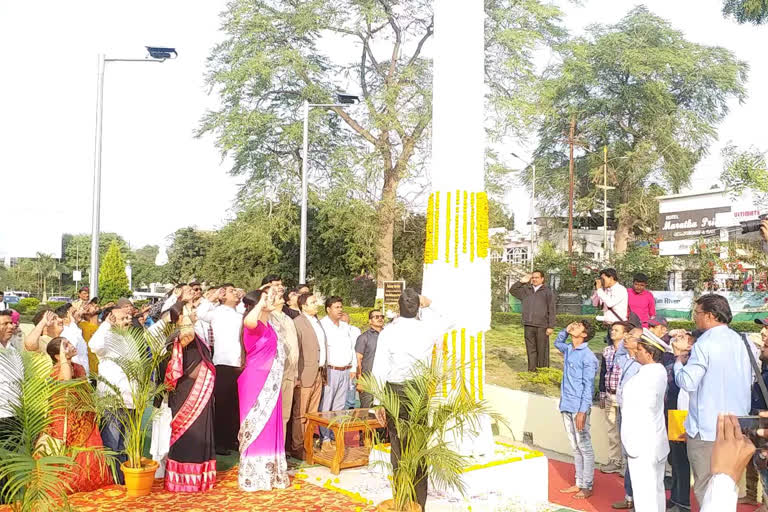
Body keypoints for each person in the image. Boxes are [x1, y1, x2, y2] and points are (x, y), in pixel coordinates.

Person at [371, 289, 452, 511]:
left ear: (398, 308)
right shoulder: (427, 328)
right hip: (417, 390)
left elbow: (379, 366)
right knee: (418, 447)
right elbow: (450, 320)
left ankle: (402, 501)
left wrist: (377, 402)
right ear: (418, 307)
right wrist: (430, 303)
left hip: (394, 391)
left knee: (398, 448)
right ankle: (419, 504)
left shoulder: (388, 332)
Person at [673, 294, 753, 506]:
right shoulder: (743, 341)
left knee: (706, 490)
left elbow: (687, 382)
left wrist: (678, 362)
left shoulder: (704, 343)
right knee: (727, 487)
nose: (695, 319)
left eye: (696, 314)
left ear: (709, 316)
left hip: (707, 429)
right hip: (736, 427)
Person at [44, 337, 113, 493]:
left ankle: (90, 486)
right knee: (69, 455)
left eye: (69, 343)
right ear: (57, 356)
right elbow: (67, 378)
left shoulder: (79, 367)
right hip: (65, 420)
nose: (71, 346)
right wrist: (63, 355)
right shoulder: (56, 371)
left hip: (84, 418)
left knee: (91, 453)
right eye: (65, 345)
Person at [237, 288, 289, 492]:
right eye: (265, 298)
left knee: (271, 424)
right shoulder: (254, 326)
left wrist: (266, 302)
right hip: (256, 382)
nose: (270, 300)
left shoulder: (271, 326)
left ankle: (271, 474)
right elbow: (249, 321)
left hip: (272, 382)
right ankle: (253, 475)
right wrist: (260, 303)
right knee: (257, 425)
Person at [161, 301, 217, 492]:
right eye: (190, 309)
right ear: (179, 317)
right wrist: (184, 317)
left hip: (202, 390)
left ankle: (201, 478)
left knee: (202, 432)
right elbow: (186, 336)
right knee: (188, 434)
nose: (194, 311)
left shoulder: (196, 334)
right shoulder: (179, 336)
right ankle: (183, 479)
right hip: (188, 392)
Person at [621, 330, 670, 512]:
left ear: (649, 354)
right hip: (653, 441)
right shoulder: (656, 371)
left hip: (642, 442)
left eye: (640, 349)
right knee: (655, 490)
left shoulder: (648, 375)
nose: (636, 352)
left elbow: (639, 410)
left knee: (645, 493)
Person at [89, 304, 136, 484]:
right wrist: (106, 325)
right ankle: (112, 481)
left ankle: (123, 480)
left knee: (124, 445)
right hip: (112, 401)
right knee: (112, 444)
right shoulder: (106, 336)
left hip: (130, 399)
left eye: (128, 318)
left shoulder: (130, 338)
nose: (128, 320)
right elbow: (94, 346)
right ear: (111, 318)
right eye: (123, 318)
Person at [553, 320, 598, 500]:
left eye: (579, 326)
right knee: (575, 446)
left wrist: (583, 410)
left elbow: (588, 386)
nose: (574, 326)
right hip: (566, 404)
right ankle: (579, 482)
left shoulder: (588, 357)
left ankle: (587, 484)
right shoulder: (569, 349)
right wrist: (565, 329)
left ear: (585, 334)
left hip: (579, 408)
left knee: (584, 446)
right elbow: (557, 343)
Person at [197, 283, 244, 455]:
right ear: (223, 296)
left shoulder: (239, 313)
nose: (235, 293)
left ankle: (232, 438)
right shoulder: (217, 312)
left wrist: (242, 297)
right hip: (223, 362)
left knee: (235, 404)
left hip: (239, 362)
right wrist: (214, 296)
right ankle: (219, 442)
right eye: (231, 291)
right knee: (223, 404)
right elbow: (200, 313)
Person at [290, 293, 327, 458]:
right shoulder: (298, 323)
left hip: (318, 372)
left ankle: (308, 444)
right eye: (312, 302)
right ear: (303, 306)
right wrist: (296, 375)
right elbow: (295, 350)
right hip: (304, 373)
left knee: (312, 413)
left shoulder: (317, 321)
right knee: (301, 413)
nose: (316, 304)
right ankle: (297, 447)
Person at [612, 326, 644, 510]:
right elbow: (618, 356)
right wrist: (626, 344)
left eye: (631, 337)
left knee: (635, 456)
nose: (626, 338)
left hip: (636, 416)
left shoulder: (643, 366)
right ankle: (629, 496)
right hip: (624, 412)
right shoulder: (628, 361)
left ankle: (637, 498)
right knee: (627, 456)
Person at [318, 296, 357, 444]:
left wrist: (353, 367)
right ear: (328, 309)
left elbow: (351, 348)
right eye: (336, 307)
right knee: (326, 405)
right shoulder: (322, 326)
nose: (340, 310)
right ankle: (325, 438)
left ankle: (336, 436)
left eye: (341, 307)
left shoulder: (345, 326)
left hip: (345, 370)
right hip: (330, 370)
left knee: (340, 406)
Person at [665, 329, 696, 512]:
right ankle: (675, 498)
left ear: (690, 345)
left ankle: (683, 502)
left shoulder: (690, 363)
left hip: (682, 415)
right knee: (674, 460)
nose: (678, 338)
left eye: (683, 337)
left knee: (682, 461)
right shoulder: (670, 359)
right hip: (671, 414)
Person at [598, 321, 632, 475]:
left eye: (617, 330)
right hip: (610, 393)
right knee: (612, 429)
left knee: (625, 429)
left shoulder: (629, 351)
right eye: (612, 330)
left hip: (624, 396)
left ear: (625, 334)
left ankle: (627, 463)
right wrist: (602, 393)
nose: (613, 332)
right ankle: (615, 460)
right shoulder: (607, 351)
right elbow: (604, 372)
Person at [267, 282, 299, 436]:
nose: (280, 296)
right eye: (276, 295)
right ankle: (270, 451)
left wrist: (296, 373)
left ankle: (280, 451)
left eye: (280, 294)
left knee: (285, 415)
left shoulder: (288, 319)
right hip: (275, 372)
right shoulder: (268, 317)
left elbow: (295, 347)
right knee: (272, 413)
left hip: (290, 372)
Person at [508, 270, 556, 372]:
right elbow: (512, 290)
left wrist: (551, 326)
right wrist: (521, 281)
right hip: (528, 324)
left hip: (542, 326)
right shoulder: (526, 290)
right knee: (531, 349)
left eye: (537, 277)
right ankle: (531, 370)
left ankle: (542, 371)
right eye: (533, 277)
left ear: (542, 279)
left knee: (542, 350)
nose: (534, 279)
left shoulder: (547, 292)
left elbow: (552, 309)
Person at [743, 318, 768, 509]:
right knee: (755, 461)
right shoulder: (764, 362)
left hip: (764, 424)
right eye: (763, 329)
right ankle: (753, 495)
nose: (763, 334)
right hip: (757, 420)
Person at [356, 309, 385, 409]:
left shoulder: (388, 336)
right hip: (368, 380)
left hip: (384, 379)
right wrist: (359, 381)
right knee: (367, 411)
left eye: (382, 317)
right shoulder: (364, 337)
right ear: (370, 321)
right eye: (376, 317)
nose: (380, 319)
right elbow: (358, 359)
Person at [57, 303, 89, 375]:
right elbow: (72, 350)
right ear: (65, 319)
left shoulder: (74, 329)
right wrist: (73, 322)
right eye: (74, 313)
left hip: (83, 373)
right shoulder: (65, 332)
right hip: (75, 374)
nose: (78, 313)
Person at [340, 312, 362, 409]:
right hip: (340, 365)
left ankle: (350, 410)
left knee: (351, 391)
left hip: (353, 364)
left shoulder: (355, 330)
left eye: (345, 320)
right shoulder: (337, 331)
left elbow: (356, 349)